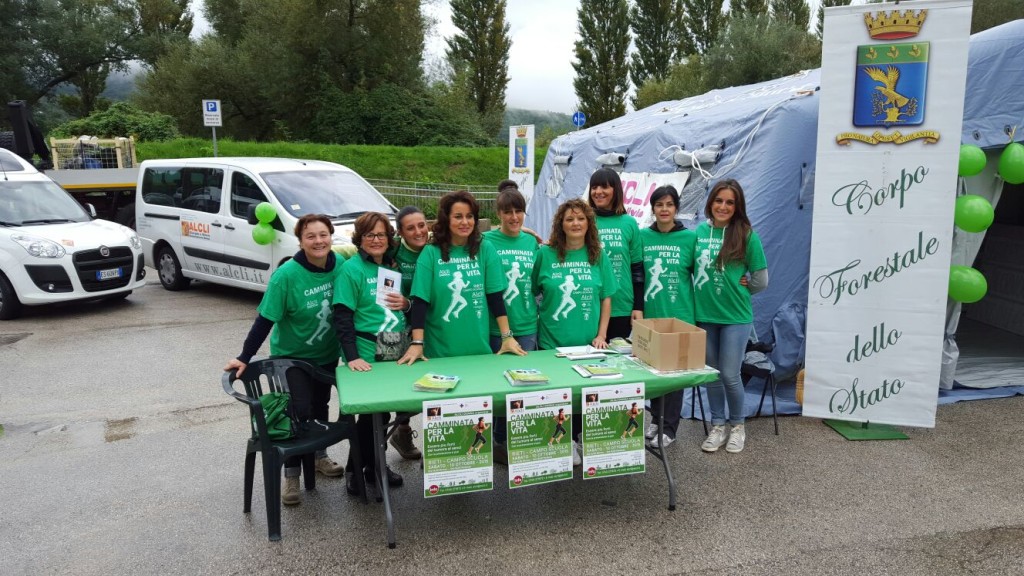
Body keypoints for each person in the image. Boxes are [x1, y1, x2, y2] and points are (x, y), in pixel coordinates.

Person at [224, 214, 346, 507]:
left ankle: (318, 457)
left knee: (320, 406)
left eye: (323, 235)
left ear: (331, 236)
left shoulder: (340, 264)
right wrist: (244, 356)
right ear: (300, 241)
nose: (318, 241)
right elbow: (265, 320)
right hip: (291, 358)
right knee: (298, 412)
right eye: (310, 236)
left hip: (326, 354)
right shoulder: (286, 276)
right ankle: (291, 475)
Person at [532, 198, 617, 465]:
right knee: (559, 391)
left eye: (581, 218)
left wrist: (602, 335)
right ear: (561, 224)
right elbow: (534, 290)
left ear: (589, 223)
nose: (575, 223)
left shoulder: (598, 255)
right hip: (552, 341)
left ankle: (580, 437)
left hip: (587, 342)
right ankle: (564, 439)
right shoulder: (545, 255)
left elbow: (606, 297)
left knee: (584, 393)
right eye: (569, 219)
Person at [398, 190, 526, 364]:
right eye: (458, 217)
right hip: (439, 352)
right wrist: (417, 343)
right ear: (446, 219)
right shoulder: (430, 253)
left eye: (469, 216)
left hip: (478, 349)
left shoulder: (485, 249)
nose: (465, 222)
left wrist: (507, 336)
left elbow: (495, 297)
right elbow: (420, 301)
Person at [333, 212, 411, 495]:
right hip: (365, 350)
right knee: (370, 416)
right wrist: (352, 356)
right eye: (370, 235)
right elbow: (342, 316)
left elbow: (395, 307)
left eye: (381, 235)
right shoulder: (351, 270)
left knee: (383, 412)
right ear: (360, 239)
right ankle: (357, 470)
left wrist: (407, 304)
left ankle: (375, 466)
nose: (376, 240)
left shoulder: (390, 266)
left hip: (393, 344)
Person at [694, 179, 768, 454]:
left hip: (736, 317)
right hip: (705, 315)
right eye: (718, 200)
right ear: (710, 202)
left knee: (730, 374)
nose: (723, 206)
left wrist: (745, 286)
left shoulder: (747, 235)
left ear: (738, 207)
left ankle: (737, 426)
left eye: (730, 202)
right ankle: (718, 426)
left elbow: (761, 280)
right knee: (712, 374)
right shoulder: (700, 232)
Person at [483, 187, 540, 465]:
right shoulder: (486, 241)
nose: (514, 217)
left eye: (519, 211)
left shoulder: (531, 243)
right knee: (497, 388)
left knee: (521, 386)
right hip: (495, 327)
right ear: (499, 214)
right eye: (508, 212)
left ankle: (509, 440)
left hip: (527, 324)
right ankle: (497, 441)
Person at [639, 185, 697, 449]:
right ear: (653, 208)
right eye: (659, 204)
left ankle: (670, 428)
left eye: (669, 204)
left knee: (674, 376)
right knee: (654, 372)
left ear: (676, 208)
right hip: (650, 316)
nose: (664, 209)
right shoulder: (642, 236)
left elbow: (703, 272)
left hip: (680, 316)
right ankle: (656, 419)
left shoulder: (689, 238)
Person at [387, 206, 429, 460]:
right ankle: (400, 432)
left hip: (428, 326)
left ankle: (407, 433)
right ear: (400, 233)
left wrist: (524, 228)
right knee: (397, 385)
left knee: (427, 384)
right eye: (410, 228)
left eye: (421, 225)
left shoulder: (435, 248)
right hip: (396, 329)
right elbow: (352, 249)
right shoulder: (392, 251)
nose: (418, 231)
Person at [587, 168, 644, 340]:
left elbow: (637, 268)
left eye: (604, 187)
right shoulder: (584, 221)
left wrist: (638, 306)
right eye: (594, 187)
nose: (598, 192)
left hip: (622, 305)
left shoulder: (629, 223)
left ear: (616, 190)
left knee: (617, 356)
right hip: (590, 304)